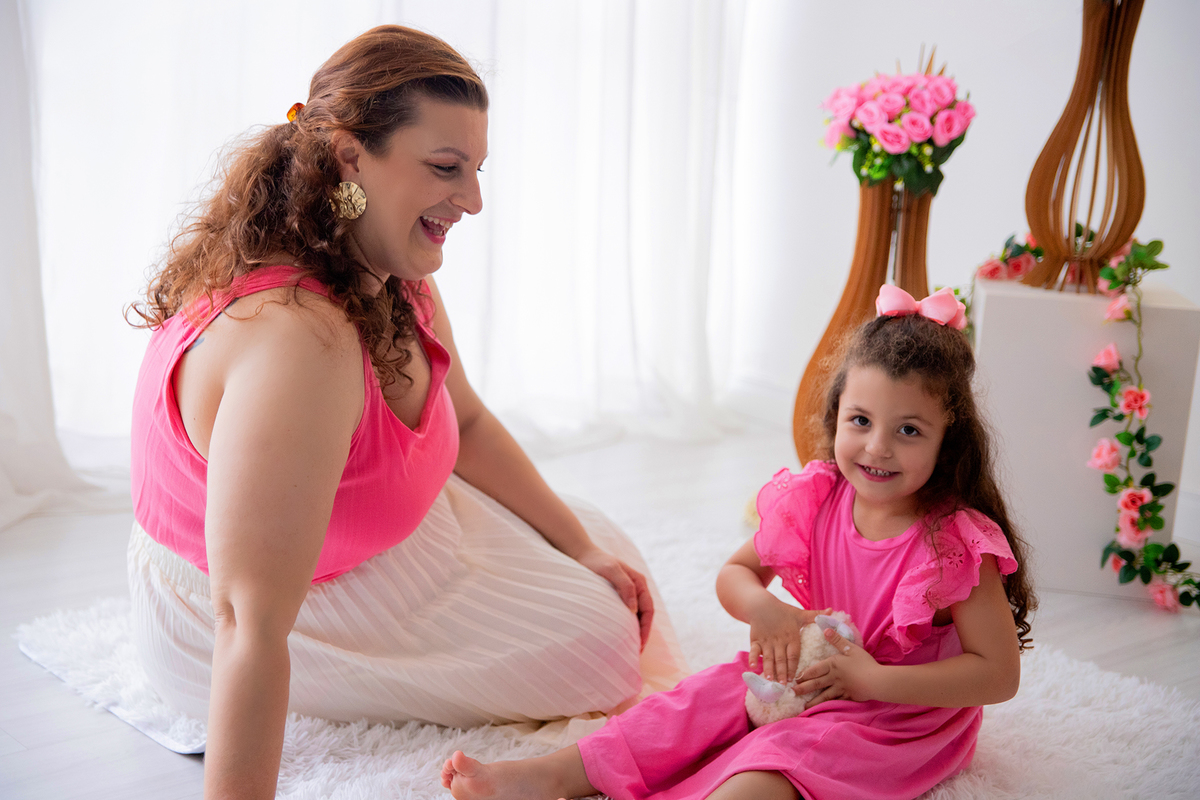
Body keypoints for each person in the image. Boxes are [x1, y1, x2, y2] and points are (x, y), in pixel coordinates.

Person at [126, 25, 687, 800]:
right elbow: (246, 621)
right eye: (446, 169)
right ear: (351, 157)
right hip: (263, 602)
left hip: (401, 529)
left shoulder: (388, 263)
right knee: (600, 648)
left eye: (477, 170)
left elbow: (473, 427)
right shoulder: (298, 341)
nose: (475, 200)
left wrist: (581, 549)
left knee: (608, 556)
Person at [442, 285, 1037, 800]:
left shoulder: (955, 543)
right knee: (697, 700)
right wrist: (767, 611)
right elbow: (734, 575)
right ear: (836, 417)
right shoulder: (819, 495)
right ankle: (553, 775)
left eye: (908, 431)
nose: (877, 447)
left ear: (947, 443)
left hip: (899, 716)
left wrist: (873, 681)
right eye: (861, 421)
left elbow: (997, 675)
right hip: (809, 675)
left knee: (782, 758)